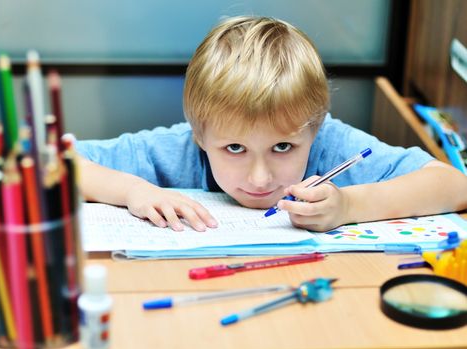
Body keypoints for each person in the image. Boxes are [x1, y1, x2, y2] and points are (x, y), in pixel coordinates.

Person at [75, 16, 467, 232]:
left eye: (283, 147)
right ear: (200, 135)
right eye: (234, 149)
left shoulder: (330, 142)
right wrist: (131, 191)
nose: (260, 178)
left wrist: (348, 205)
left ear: (314, 129)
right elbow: (54, 162)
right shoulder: (178, 149)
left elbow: (454, 184)